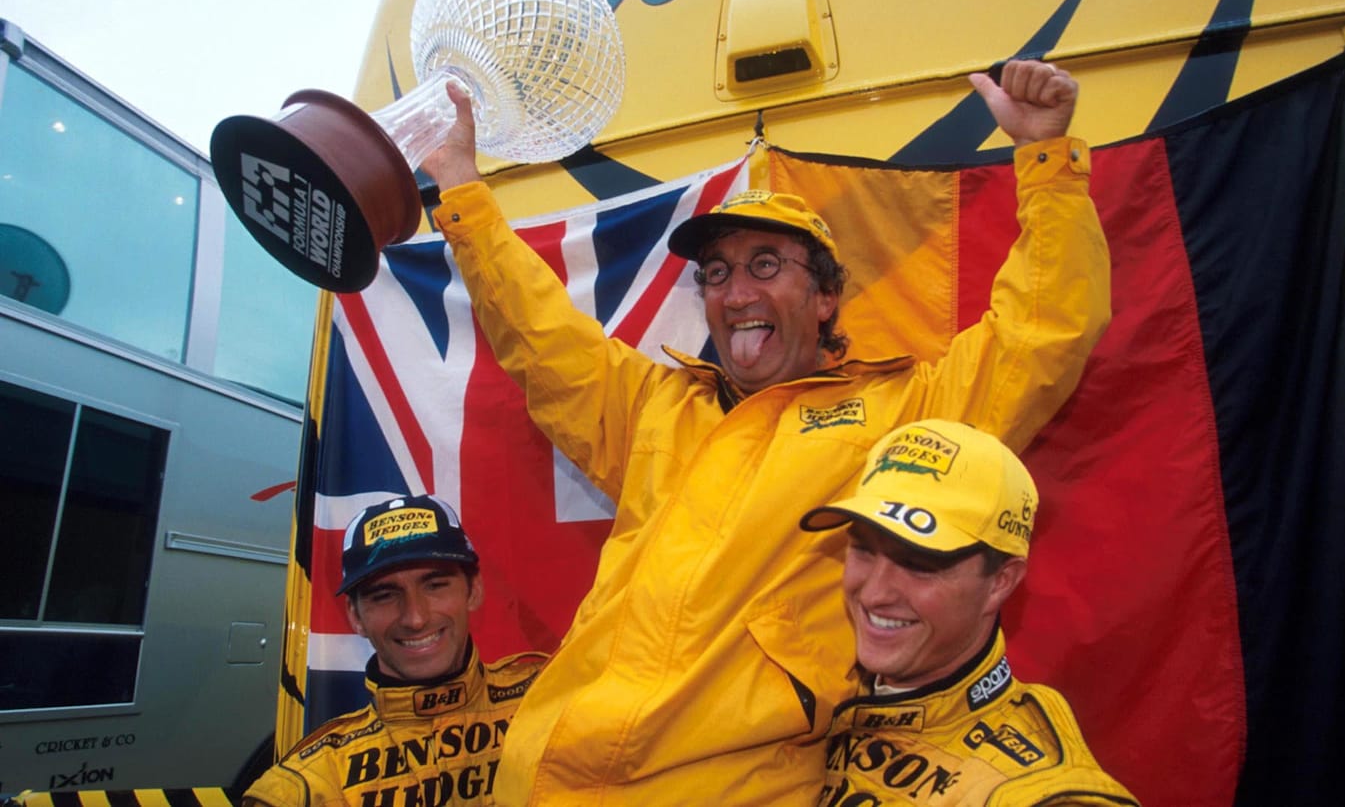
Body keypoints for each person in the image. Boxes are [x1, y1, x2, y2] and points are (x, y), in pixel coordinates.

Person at [421, 58, 1109, 804]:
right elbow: (539, 332)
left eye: (766, 264)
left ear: (823, 297)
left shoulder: (905, 418)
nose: (736, 292)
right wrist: (464, 190)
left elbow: (1042, 335)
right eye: (715, 274)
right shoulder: (656, 407)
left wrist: (1046, 160)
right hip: (537, 779)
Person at [801, 419, 1138, 806]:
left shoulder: (1032, 792)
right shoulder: (815, 668)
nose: (875, 593)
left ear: (1000, 582)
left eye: (918, 564)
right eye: (863, 550)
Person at [243, 494, 545, 807]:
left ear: (474, 590)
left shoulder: (550, 697)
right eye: (385, 595)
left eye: (435, 585)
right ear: (355, 617)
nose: (415, 618)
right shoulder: (311, 780)